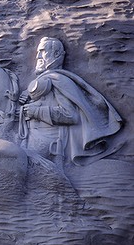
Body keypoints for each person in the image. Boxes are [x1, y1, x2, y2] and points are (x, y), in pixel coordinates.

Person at [18, 37, 122, 165]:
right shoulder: (44, 80)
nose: (38, 56)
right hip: (30, 136)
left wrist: (37, 111)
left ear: (56, 54)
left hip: (47, 142)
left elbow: (71, 116)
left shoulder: (60, 80)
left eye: (43, 51)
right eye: (38, 52)